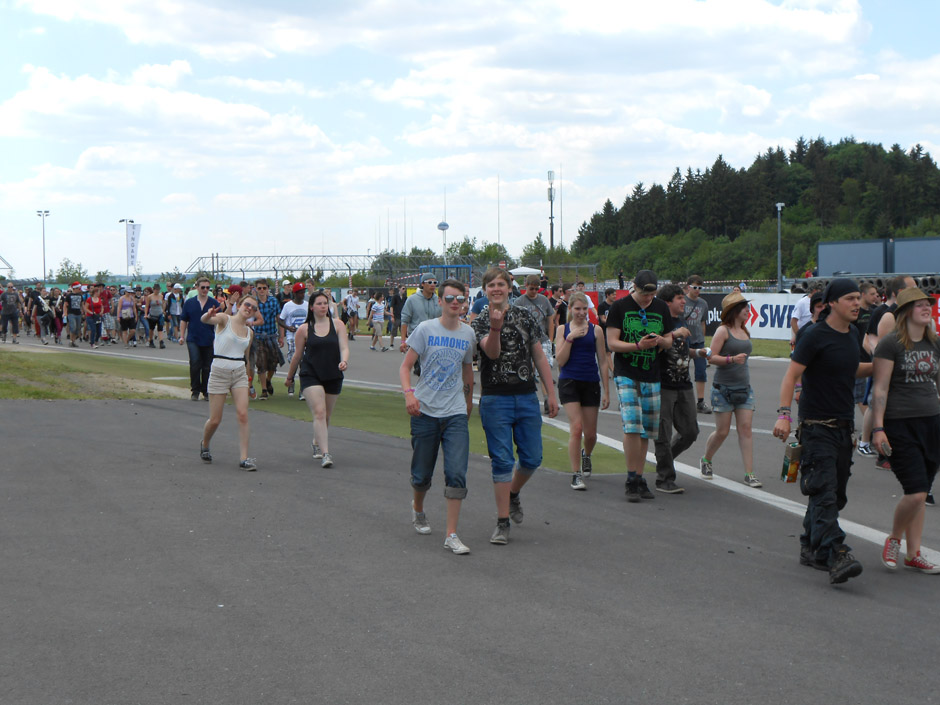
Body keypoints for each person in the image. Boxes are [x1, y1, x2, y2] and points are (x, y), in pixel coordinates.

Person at [773, 278, 872, 585]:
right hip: (817, 428)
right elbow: (791, 376)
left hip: (844, 428)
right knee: (825, 492)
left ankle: (810, 545)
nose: (857, 303)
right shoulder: (813, 335)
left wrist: (882, 365)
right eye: (851, 299)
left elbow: (851, 367)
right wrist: (784, 415)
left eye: (859, 298)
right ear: (832, 303)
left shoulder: (853, 333)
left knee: (833, 494)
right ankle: (836, 553)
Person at [472, 267, 558, 544]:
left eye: (501, 284)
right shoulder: (480, 320)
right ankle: (501, 521)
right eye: (491, 285)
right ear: (485, 290)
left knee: (533, 458)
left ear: (510, 287)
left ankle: (512, 494)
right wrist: (496, 327)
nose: (496, 289)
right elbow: (492, 352)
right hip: (496, 397)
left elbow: (539, 356)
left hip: (525, 395)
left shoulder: (525, 316)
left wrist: (550, 392)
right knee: (502, 460)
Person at [399, 278, 476, 554]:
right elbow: (406, 366)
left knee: (456, 472)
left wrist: (468, 402)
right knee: (421, 475)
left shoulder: (468, 334)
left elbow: (468, 371)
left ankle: (451, 534)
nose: (456, 303)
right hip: (424, 411)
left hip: (454, 411)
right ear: (441, 301)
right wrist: (409, 394)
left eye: (460, 299)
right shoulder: (425, 329)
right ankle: (417, 507)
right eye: (451, 298)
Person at [871, 288, 940, 574]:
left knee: (921, 491)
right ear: (907, 311)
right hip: (900, 424)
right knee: (915, 492)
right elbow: (881, 387)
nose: (927, 309)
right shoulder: (891, 344)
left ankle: (914, 554)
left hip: (933, 423)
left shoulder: (934, 344)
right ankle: (894, 539)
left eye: (929, 305)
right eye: (920, 305)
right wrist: (877, 428)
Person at [605, 269, 674, 502]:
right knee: (632, 425)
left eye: (651, 295)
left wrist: (661, 341)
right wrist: (638, 345)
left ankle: (639, 477)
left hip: (652, 374)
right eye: (644, 294)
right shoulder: (620, 307)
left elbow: (669, 339)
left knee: (646, 428)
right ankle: (630, 477)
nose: (647, 299)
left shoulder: (661, 308)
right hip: (626, 372)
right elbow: (612, 343)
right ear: (634, 286)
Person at [700, 292, 761, 488]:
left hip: (744, 388)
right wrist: (731, 360)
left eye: (747, 306)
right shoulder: (723, 331)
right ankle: (706, 459)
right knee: (722, 432)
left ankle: (749, 474)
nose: (747, 310)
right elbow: (710, 357)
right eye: (744, 307)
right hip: (723, 389)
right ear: (734, 310)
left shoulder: (745, 330)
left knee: (746, 430)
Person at [284, 291, 350, 468]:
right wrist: (289, 377)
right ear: (311, 307)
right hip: (310, 374)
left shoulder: (338, 325)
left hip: (333, 373)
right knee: (319, 412)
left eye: (325, 303)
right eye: (319, 303)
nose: (323, 306)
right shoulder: (304, 329)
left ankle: (316, 441)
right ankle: (326, 453)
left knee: (326, 415)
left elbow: (344, 347)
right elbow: (297, 356)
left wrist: (344, 361)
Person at [655, 284, 708, 494]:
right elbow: (657, 344)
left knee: (690, 431)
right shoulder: (659, 321)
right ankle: (665, 478)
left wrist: (697, 353)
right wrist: (676, 333)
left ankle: (664, 460)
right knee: (663, 433)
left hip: (683, 382)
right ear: (668, 301)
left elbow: (682, 349)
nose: (684, 301)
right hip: (664, 384)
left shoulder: (681, 320)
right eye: (679, 298)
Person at [554, 292, 609, 490]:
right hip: (569, 381)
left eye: (584, 309)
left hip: (590, 382)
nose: (581, 313)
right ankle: (576, 474)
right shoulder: (563, 329)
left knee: (591, 434)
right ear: (570, 309)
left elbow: (603, 361)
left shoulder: (596, 331)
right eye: (577, 309)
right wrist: (570, 338)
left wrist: (607, 391)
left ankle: (587, 455)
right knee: (576, 428)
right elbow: (560, 361)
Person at [198, 296, 257, 470]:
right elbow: (206, 320)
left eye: (253, 307)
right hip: (219, 372)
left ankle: (244, 458)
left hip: (239, 372)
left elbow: (245, 357)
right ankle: (205, 443)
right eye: (247, 304)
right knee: (215, 419)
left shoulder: (249, 332)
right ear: (239, 306)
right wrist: (208, 315)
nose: (249, 308)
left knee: (243, 414)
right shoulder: (225, 319)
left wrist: (249, 380)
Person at [513, 274, 557, 413]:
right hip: (525, 341)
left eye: (536, 289)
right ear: (526, 286)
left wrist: (550, 339)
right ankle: (526, 399)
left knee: (544, 370)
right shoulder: (519, 301)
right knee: (526, 371)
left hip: (542, 339)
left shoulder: (544, 300)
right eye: (531, 289)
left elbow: (550, 319)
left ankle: (546, 398)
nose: (534, 292)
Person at [179, 277, 219, 401]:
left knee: (207, 366)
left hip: (208, 338)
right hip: (193, 338)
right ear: (197, 287)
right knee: (195, 363)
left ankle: (206, 390)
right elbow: (184, 320)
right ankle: (195, 390)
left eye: (208, 288)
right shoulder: (189, 302)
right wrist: (181, 336)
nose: (205, 290)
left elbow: (220, 320)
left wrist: (217, 337)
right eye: (203, 287)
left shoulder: (214, 303)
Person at [248, 278, 284, 401]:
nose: (262, 290)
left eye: (264, 288)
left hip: (271, 335)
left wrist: (281, 336)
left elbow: (279, 319)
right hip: (257, 336)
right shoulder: (252, 302)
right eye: (259, 288)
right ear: (255, 289)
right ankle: (264, 390)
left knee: (273, 363)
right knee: (261, 363)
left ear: (268, 289)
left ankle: (268, 380)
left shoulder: (274, 301)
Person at [683, 275, 711, 413]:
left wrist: (702, 338)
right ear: (688, 287)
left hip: (698, 340)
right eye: (695, 287)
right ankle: (684, 400)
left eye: (700, 288)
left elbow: (702, 322)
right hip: (684, 340)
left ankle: (700, 401)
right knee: (682, 370)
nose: (697, 290)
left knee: (701, 371)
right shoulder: (683, 301)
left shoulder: (703, 304)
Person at [278, 282, 308, 396]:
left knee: (304, 363)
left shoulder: (307, 305)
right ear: (294, 293)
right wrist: (287, 327)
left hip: (305, 337)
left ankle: (303, 389)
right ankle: (291, 382)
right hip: (292, 338)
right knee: (294, 362)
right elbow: (280, 320)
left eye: (303, 292)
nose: (302, 294)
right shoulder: (288, 306)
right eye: (300, 292)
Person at [790, 281, 825, 349]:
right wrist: (798, 336)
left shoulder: (822, 303)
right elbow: (793, 321)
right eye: (820, 291)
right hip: (803, 335)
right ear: (814, 291)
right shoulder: (802, 302)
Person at [145, 283, 167, 349]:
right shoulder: (150, 297)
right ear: (153, 289)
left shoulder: (161, 296)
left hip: (159, 314)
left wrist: (163, 310)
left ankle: (161, 341)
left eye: (158, 290)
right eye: (156, 290)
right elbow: (147, 306)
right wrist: (146, 314)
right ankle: (151, 340)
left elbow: (163, 304)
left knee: (160, 328)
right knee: (151, 329)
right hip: (152, 314)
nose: (157, 291)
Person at [83, 283, 104, 349]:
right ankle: (92, 343)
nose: (99, 293)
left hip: (97, 316)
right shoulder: (89, 299)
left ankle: (96, 340)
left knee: (99, 331)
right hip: (91, 316)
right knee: (93, 329)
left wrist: (101, 312)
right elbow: (86, 308)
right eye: (98, 292)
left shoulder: (99, 299)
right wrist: (91, 312)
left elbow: (102, 306)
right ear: (95, 292)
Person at [64, 282, 85, 348]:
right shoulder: (69, 296)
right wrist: (65, 313)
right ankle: (71, 341)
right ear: (75, 288)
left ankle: (73, 341)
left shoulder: (80, 295)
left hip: (78, 313)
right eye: (79, 288)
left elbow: (82, 304)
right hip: (71, 313)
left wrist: (84, 312)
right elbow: (65, 305)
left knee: (78, 328)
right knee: (73, 327)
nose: (80, 289)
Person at [388, 285, 406, 350]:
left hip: (403, 317)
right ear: (399, 289)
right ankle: (391, 344)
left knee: (403, 331)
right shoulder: (395, 297)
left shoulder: (405, 297)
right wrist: (392, 316)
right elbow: (391, 306)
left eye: (404, 289)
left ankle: (402, 344)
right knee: (393, 331)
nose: (404, 290)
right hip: (396, 316)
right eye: (403, 288)